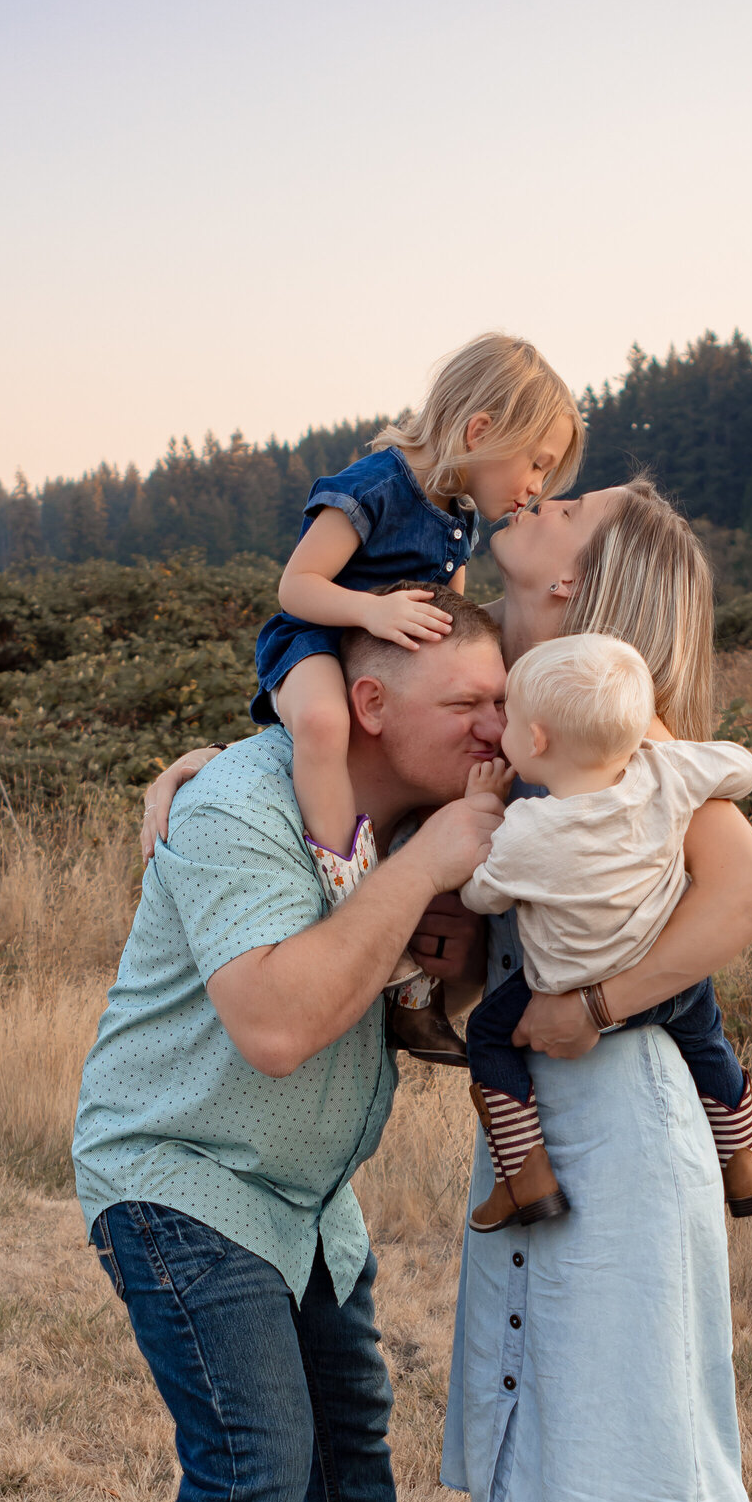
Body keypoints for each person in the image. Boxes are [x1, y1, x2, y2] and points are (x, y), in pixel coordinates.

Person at [73, 598, 506, 1502]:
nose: (501, 729)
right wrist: (427, 860)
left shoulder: (403, 818)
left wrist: (450, 931)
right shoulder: (241, 808)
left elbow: (423, 1023)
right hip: (180, 1170)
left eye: (506, 702)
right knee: (256, 1459)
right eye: (472, 706)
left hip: (305, 1197)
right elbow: (271, 1024)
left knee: (349, 1427)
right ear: (369, 708)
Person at [442, 474, 752, 1502]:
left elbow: (751, 897)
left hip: (627, 1112)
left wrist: (597, 1005)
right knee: (583, 1396)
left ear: (582, 594)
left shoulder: (641, 756)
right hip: (555, 1116)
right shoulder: (537, 734)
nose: (546, 502)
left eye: (567, 512)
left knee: (672, 1426)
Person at [254, 332, 582, 1065]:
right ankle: (346, 887)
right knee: (319, 722)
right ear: (481, 429)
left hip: (387, 662)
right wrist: (372, 613)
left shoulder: (458, 520)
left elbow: (454, 622)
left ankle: (412, 988)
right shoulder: (374, 486)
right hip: (318, 640)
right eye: (535, 462)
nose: (538, 485)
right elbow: (295, 587)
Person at [457, 632, 752, 1231]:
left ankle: (526, 1175)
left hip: (567, 989)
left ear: (535, 741)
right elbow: (743, 769)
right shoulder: (666, 770)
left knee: (487, 1035)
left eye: (508, 717)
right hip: (663, 985)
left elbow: (479, 895)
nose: (500, 728)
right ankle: (742, 1161)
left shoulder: (528, 830)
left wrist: (481, 810)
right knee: (709, 1043)